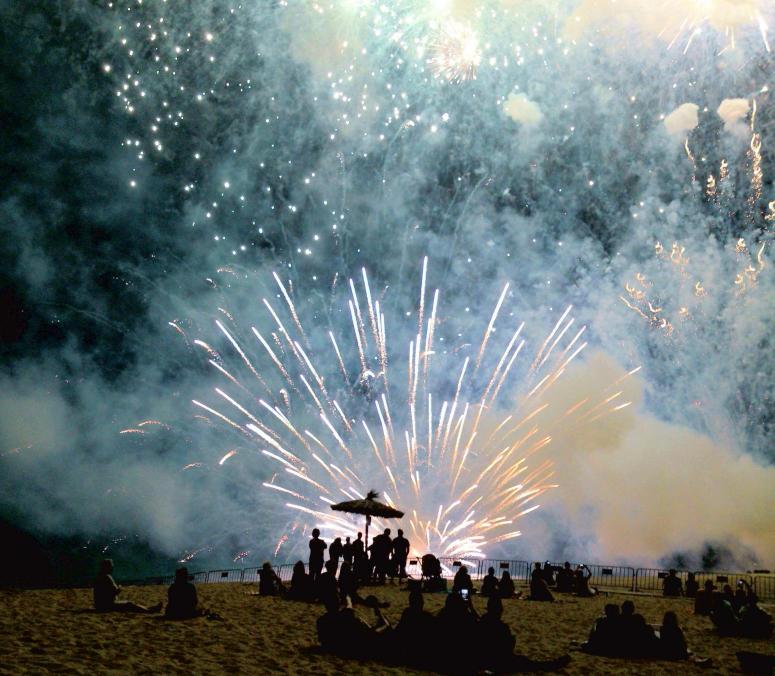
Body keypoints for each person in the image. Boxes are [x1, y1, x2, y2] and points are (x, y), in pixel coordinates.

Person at [478, 595, 571, 672]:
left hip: (484, 660)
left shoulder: (482, 621)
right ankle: (552, 665)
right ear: (499, 610)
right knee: (529, 663)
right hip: (499, 662)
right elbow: (507, 649)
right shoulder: (501, 627)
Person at [93, 559, 162, 613]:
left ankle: (148, 608)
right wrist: (119, 588)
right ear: (107, 567)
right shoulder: (107, 577)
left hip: (100, 605)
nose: (112, 568)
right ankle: (148, 610)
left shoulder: (99, 576)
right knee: (129, 604)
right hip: (107, 606)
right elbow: (114, 592)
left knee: (129, 604)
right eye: (111, 566)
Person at [395, 589, 436, 667]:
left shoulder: (408, 613)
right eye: (421, 601)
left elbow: (398, 631)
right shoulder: (425, 616)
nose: (422, 603)